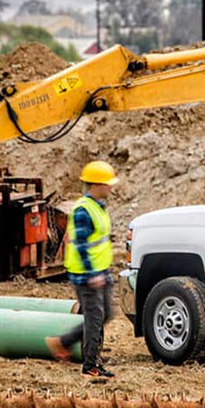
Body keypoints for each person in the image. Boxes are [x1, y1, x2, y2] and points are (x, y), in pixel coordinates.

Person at [46, 160, 118, 379]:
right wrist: (91, 274)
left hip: (100, 271)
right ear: (96, 185)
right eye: (107, 184)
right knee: (95, 318)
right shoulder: (83, 211)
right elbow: (82, 245)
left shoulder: (98, 207)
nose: (111, 187)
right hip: (87, 275)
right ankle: (90, 366)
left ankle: (64, 342)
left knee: (105, 314)